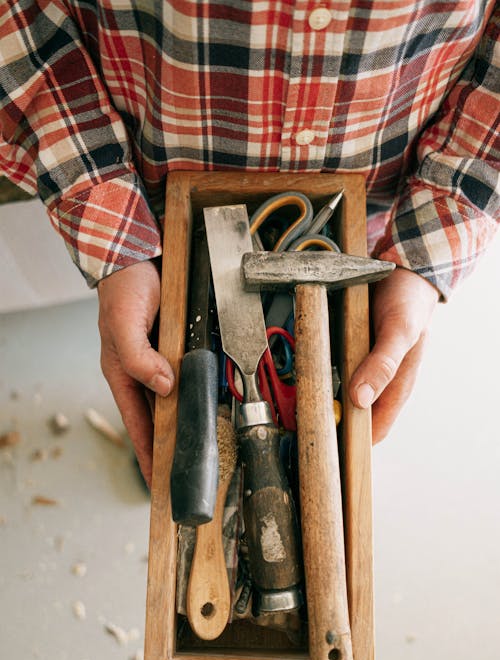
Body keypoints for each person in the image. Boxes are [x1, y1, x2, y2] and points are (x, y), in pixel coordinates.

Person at [1, 2, 498, 487]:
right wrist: (113, 234)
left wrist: (424, 258)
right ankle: (184, 429)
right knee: (164, 362)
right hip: (153, 198)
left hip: (365, 207)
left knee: (289, 374)